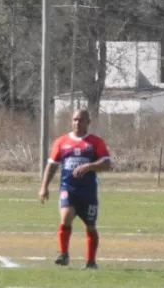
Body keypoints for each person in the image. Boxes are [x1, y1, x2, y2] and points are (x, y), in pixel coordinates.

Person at [39, 108, 112, 269]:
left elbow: (107, 163)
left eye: (80, 120)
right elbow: (51, 165)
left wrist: (89, 166)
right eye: (75, 119)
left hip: (88, 192)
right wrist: (44, 187)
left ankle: (91, 262)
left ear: (88, 122)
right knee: (66, 216)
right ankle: (64, 254)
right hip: (68, 188)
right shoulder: (62, 141)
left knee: (90, 226)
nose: (77, 123)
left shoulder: (95, 142)